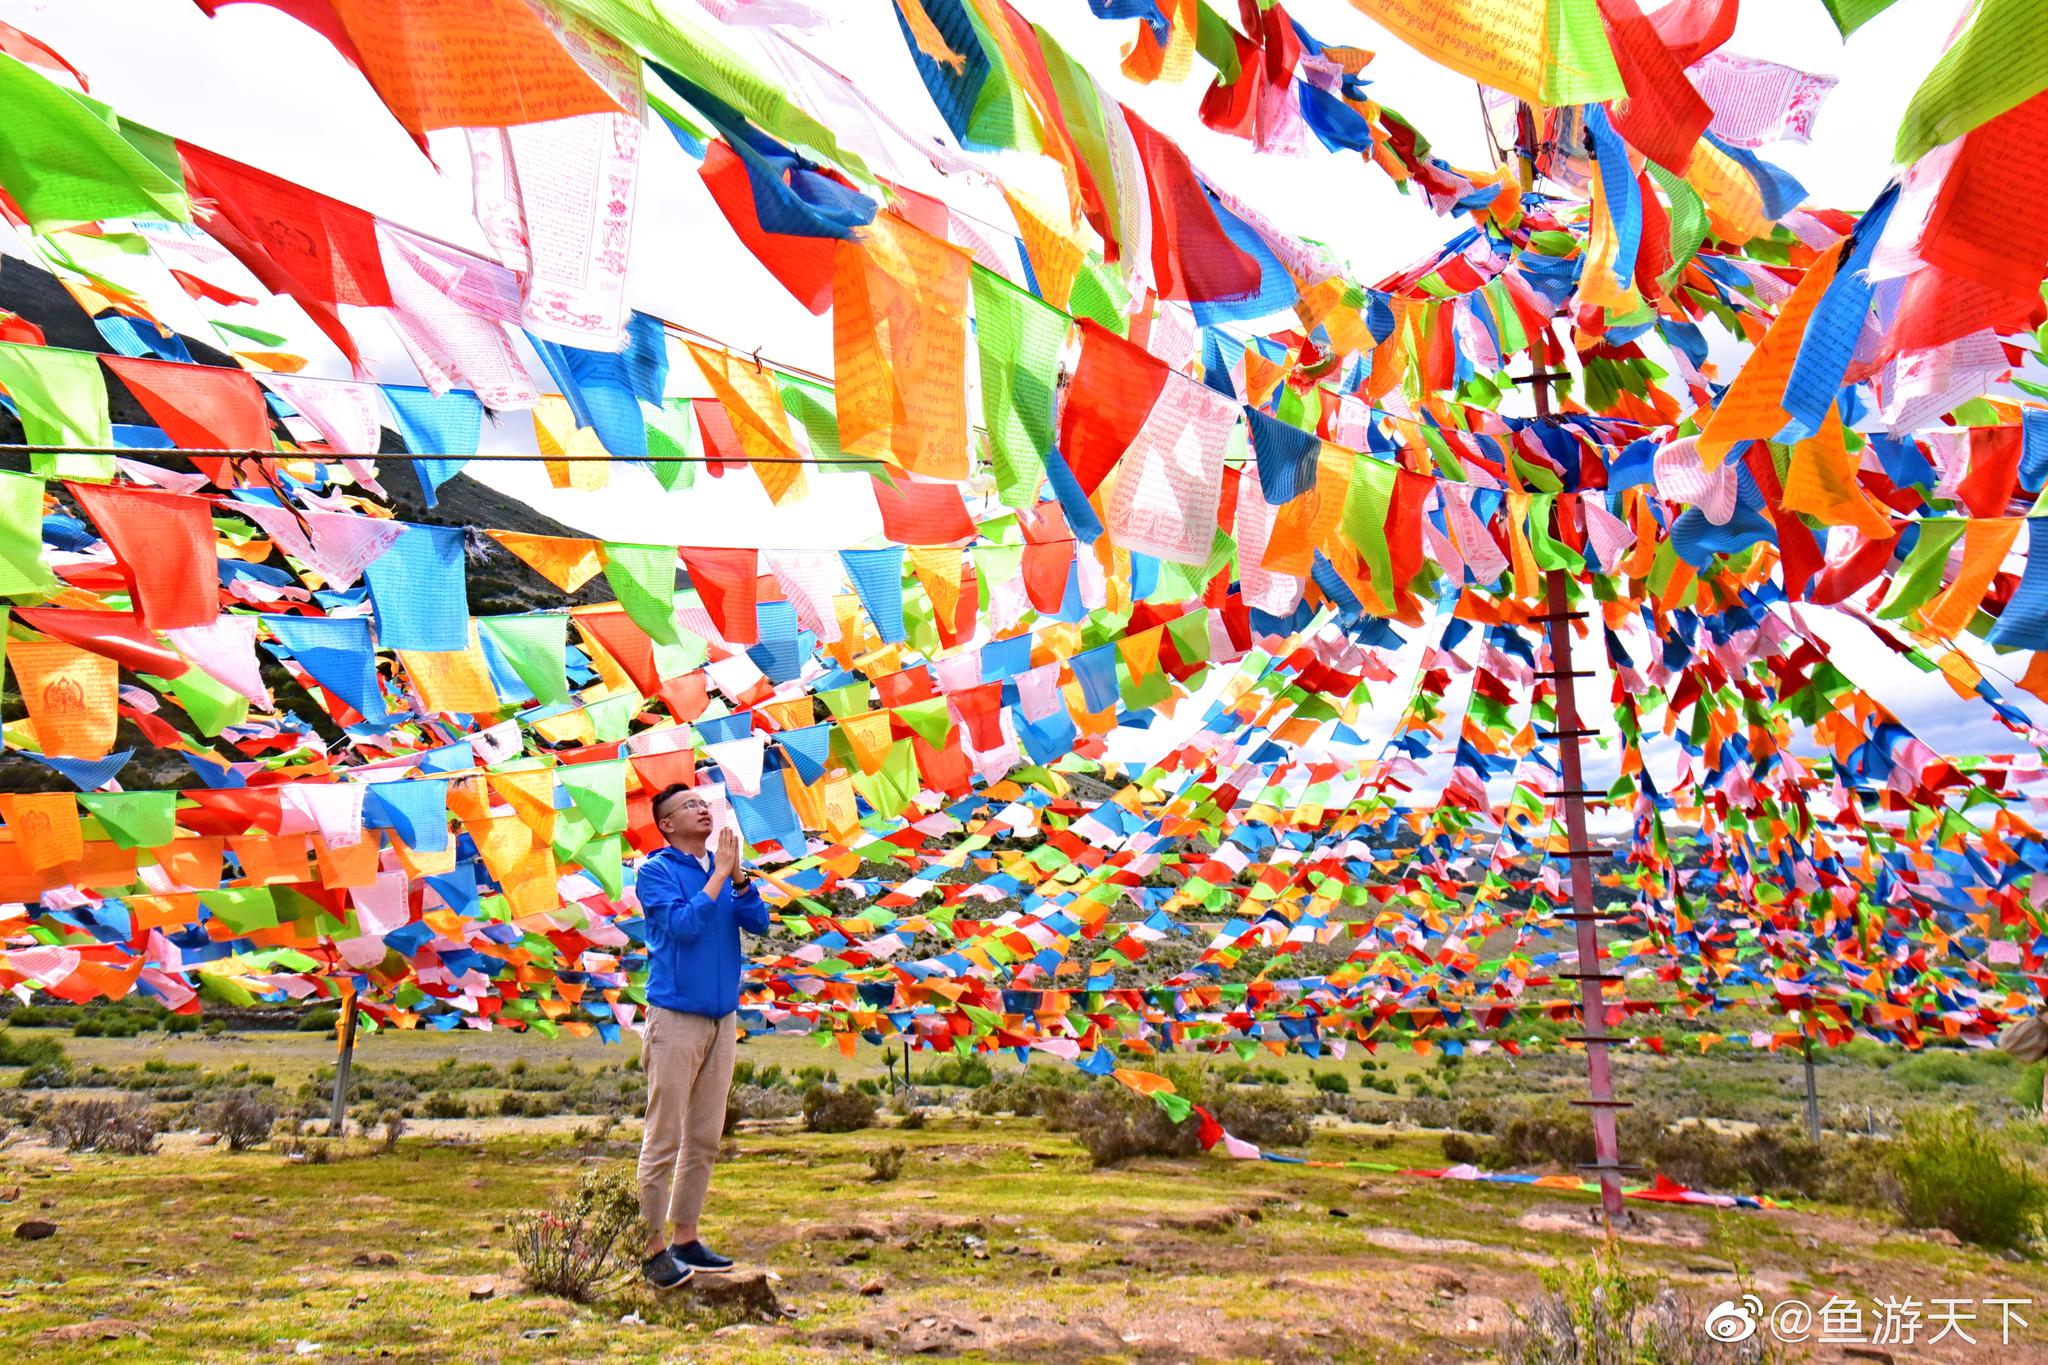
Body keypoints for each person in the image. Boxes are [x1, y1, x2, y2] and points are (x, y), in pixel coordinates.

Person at [633, 783, 769, 1290]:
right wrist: (716, 877)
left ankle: (686, 1236)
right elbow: (685, 926)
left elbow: (758, 922)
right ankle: (650, 1247)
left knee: (706, 1135)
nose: (701, 808)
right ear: (667, 824)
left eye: (702, 802)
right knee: (664, 1135)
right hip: (675, 1019)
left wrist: (737, 879)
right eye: (688, 805)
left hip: (722, 1018)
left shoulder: (721, 870)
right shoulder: (655, 872)